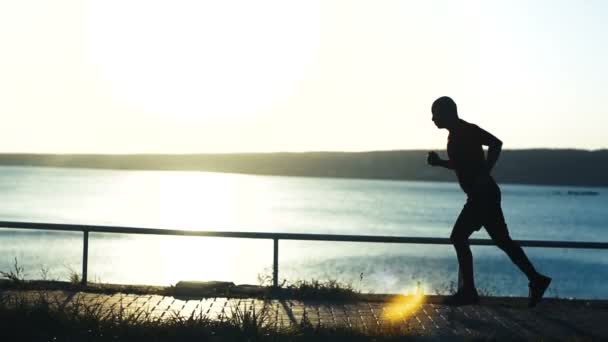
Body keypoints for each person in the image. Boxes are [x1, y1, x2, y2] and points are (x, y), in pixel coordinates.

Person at [427, 96, 551, 307]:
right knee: (503, 241)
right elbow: (462, 164)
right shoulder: (455, 134)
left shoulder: (467, 130)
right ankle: (536, 279)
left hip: (482, 195)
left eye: (435, 113)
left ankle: (469, 292)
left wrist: (486, 171)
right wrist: (440, 163)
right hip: (482, 195)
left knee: (458, 237)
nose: (432, 119)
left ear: (448, 113)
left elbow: (496, 143)